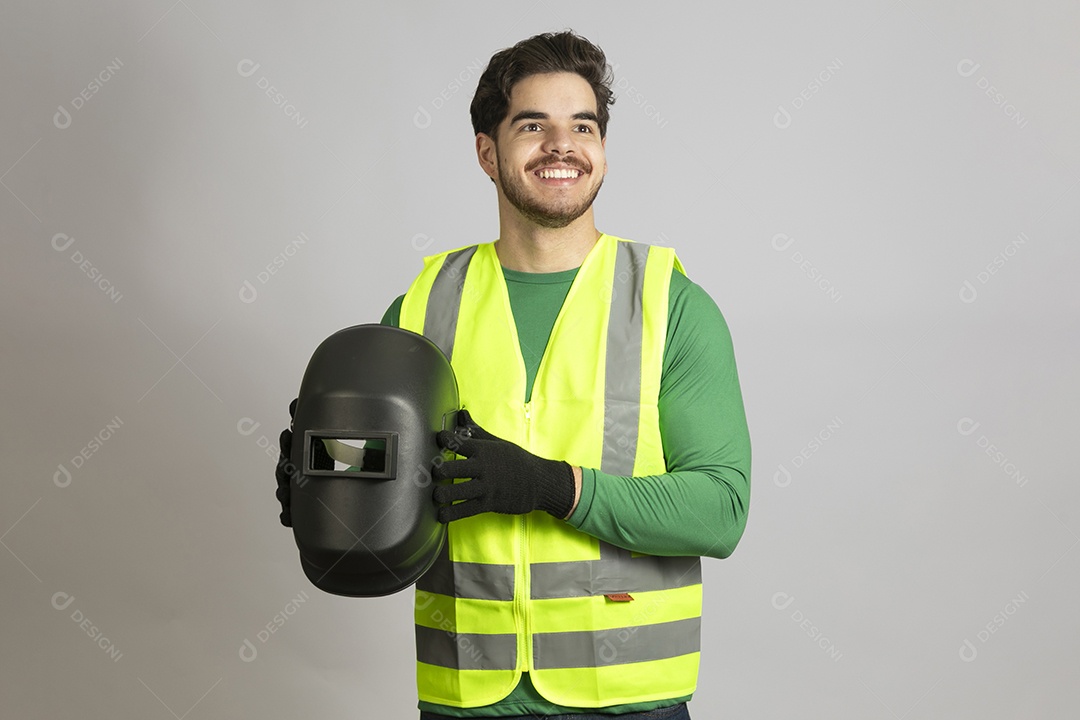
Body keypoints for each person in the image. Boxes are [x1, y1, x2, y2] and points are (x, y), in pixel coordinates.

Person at [278, 30, 751, 720]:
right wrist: (328, 481)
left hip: (629, 700)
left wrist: (550, 486)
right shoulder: (419, 309)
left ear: (602, 150)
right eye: (533, 126)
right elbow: (380, 501)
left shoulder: (670, 304)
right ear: (486, 152)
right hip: (466, 698)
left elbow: (720, 510)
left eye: (582, 126)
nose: (562, 145)